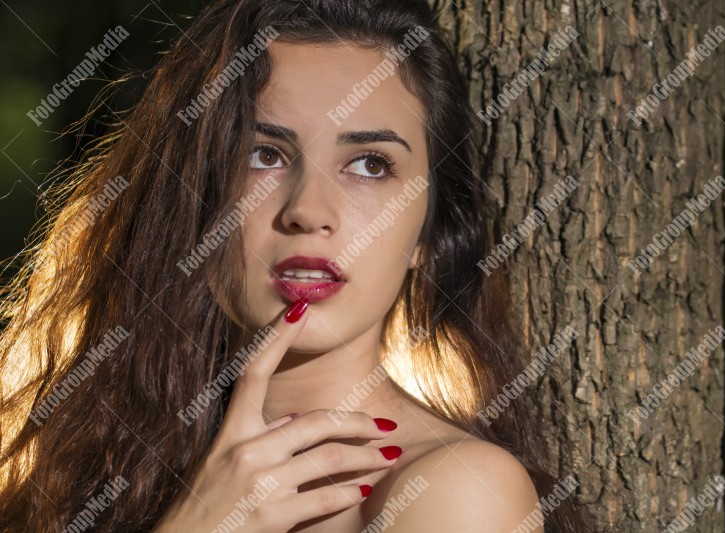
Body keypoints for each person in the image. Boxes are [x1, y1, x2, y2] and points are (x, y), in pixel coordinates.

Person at [0, 0, 587, 531]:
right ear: (194, 201)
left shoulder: (458, 492)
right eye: (264, 155)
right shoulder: (91, 464)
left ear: (427, 238)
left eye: (371, 165)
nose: (308, 211)